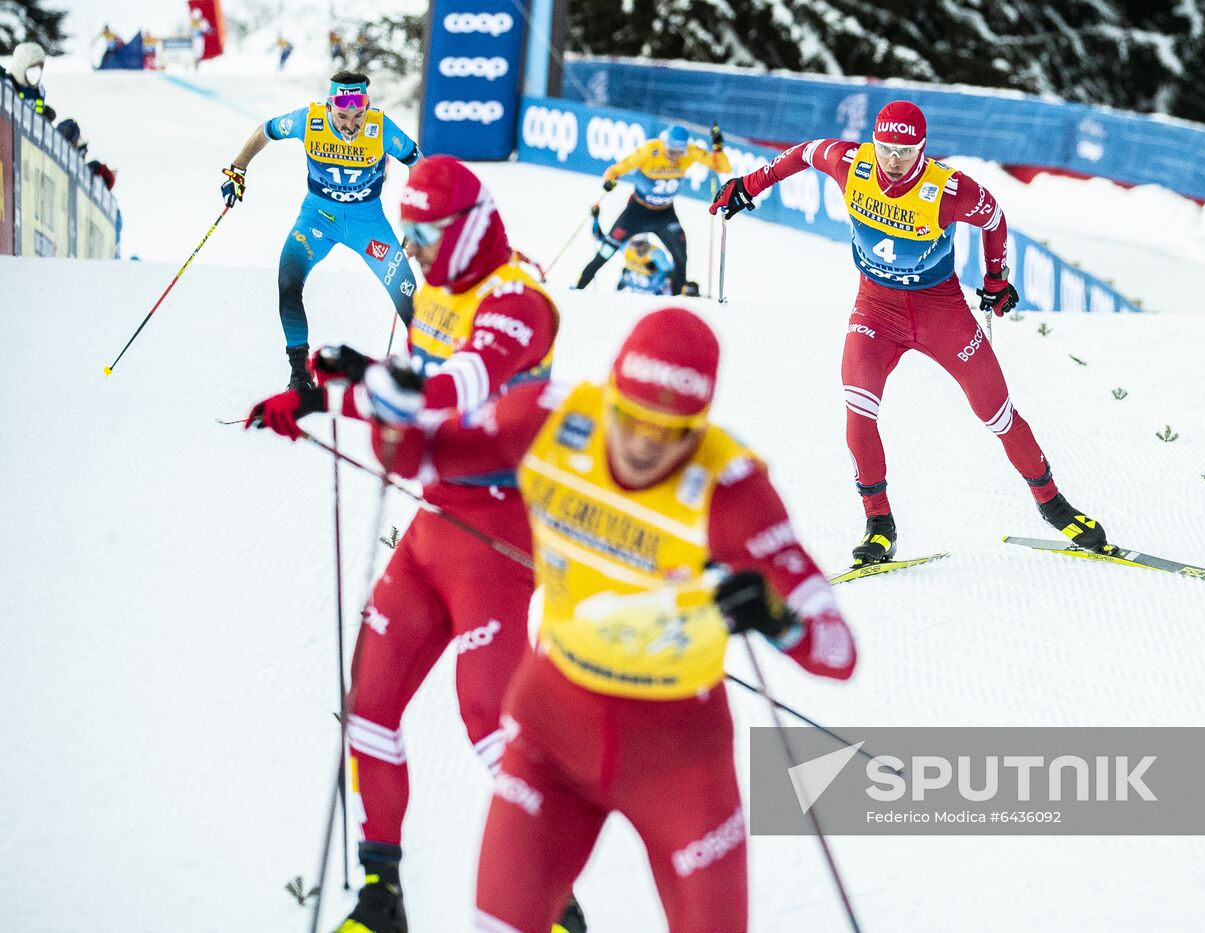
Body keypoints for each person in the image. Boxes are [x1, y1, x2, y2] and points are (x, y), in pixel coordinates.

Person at [266, 307, 856, 931]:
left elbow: (837, 651)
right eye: (630, 419)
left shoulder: (732, 489)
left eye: (672, 431)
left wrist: (778, 618)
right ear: (609, 396)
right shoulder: (550, 417)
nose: (645, 444)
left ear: (700, 428)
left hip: (679, 753)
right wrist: (383, 394)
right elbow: (419, 456)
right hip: (554, 731)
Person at [243, 157, 581, 933]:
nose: (415, 249)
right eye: (411, 233)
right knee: (371, 704)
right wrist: (315, 394)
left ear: (466, 229)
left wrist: (350, 385)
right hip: (435, 523)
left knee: (489, 721)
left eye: (428, 235)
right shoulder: (437, 294)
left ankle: (559, 902)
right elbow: (407, 376)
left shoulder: (516, 299)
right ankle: (381, 896)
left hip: (496, 533)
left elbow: (449, 393)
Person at [711, 100, 1111, 564]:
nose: (893, 160)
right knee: (858, 405)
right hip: (876, 309)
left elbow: (994, 218)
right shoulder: (851, 163)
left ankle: (1052, 503)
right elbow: (804, 152)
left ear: (922, 148)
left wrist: (996, 279)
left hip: (940, 311)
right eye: (885, 148)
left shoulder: (949, 188)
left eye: (905, 151)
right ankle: (879, 522)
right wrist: (749, 185)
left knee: (996, 414)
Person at [222, 71, 421, 390]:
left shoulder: (380, 127)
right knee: (288, 283)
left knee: (408, 297)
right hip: (317, 219)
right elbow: (265, 131)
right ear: (330, 107)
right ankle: (300, 373)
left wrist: (416, 219)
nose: (351, 124)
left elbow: (418, 163)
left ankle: (427, 372)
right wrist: (238, 167)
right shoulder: (308, 120)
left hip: (367, 225)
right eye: (342, 115)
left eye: (359, 114)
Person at [575, 124, 729, 296]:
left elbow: (722, 167)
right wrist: (610, 181)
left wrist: (718, 148)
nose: (675, 156)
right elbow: (615, 170)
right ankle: (578, 288)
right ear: (664, 144)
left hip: (665, 213)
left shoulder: (691, 152)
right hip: (637, 212)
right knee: (605, 252)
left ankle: (676, 300)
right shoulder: (649, 151)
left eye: (680, 152)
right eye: (672, 151)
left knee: (681, 258)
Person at [7, 42, 56, 123]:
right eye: (31, 69)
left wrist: (44, 112)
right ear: (21, 67)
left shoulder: (38, 92)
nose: (35, 75)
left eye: (38, 70)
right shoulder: (6, 85)